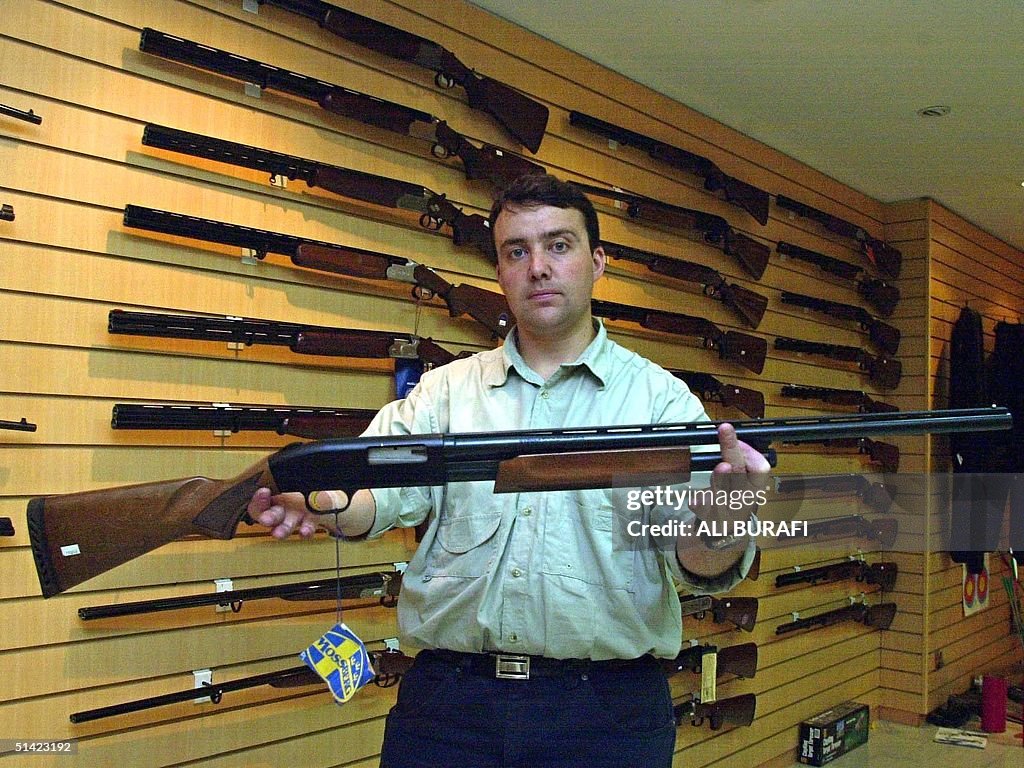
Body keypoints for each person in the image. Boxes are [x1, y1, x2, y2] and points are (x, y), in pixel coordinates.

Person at [247, 174, 769, 768]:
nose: (538, 267)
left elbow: (700, 565)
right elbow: (373, 494)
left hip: (605, 716)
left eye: (559, 245)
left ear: (597, 262)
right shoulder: (443, 395)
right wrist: (318, 498)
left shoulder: (663, 405)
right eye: (516, 251)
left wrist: (726, 519)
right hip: (448, 711)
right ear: (499, 272)